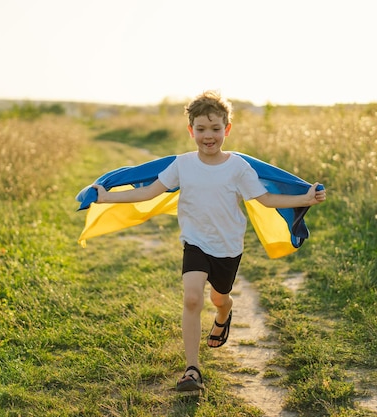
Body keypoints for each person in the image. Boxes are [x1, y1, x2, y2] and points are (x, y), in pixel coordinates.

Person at [92, 90, 326, 391]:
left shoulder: (238, 168)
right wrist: (106, 197)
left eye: (215, 129)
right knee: (192, 297)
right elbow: (148, 192)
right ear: (191, 131)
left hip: (228, 247)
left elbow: (266, 199)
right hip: (195, 242)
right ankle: (192, 369)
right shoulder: (182, 165)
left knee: (219, 297)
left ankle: (224, 311)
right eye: (201, 129)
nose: (208, 136)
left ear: (227, 129)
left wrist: (306, 197)